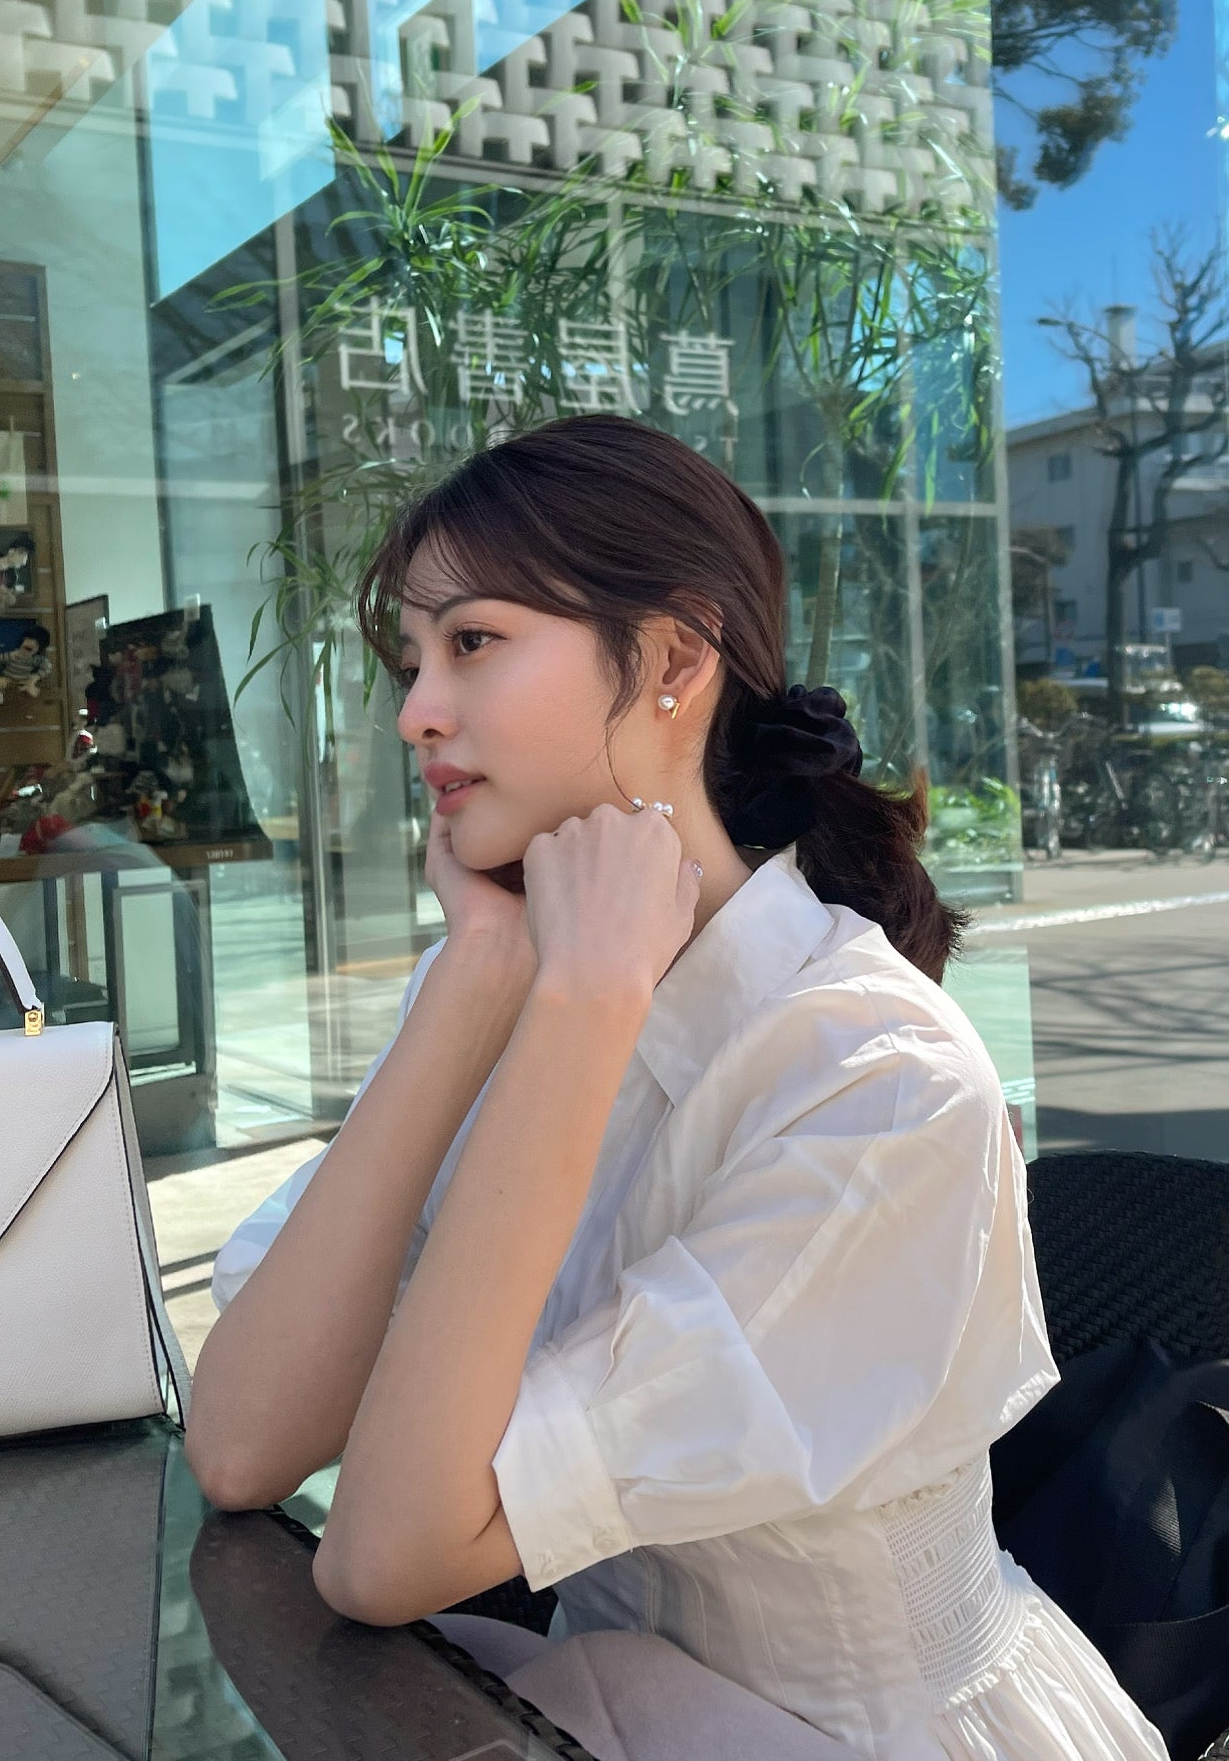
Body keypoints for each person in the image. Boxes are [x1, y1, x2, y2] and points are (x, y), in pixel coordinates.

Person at [186, 415, 1169, 1761]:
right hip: (590, 1705)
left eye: (472, 642)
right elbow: (242, 1446)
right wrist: (481, 975)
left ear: (671, 659)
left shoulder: (874, 1079)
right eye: (412, 660)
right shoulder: (504, 980)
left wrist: (582, 1010)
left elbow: (384, 1557)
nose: (415, 710)